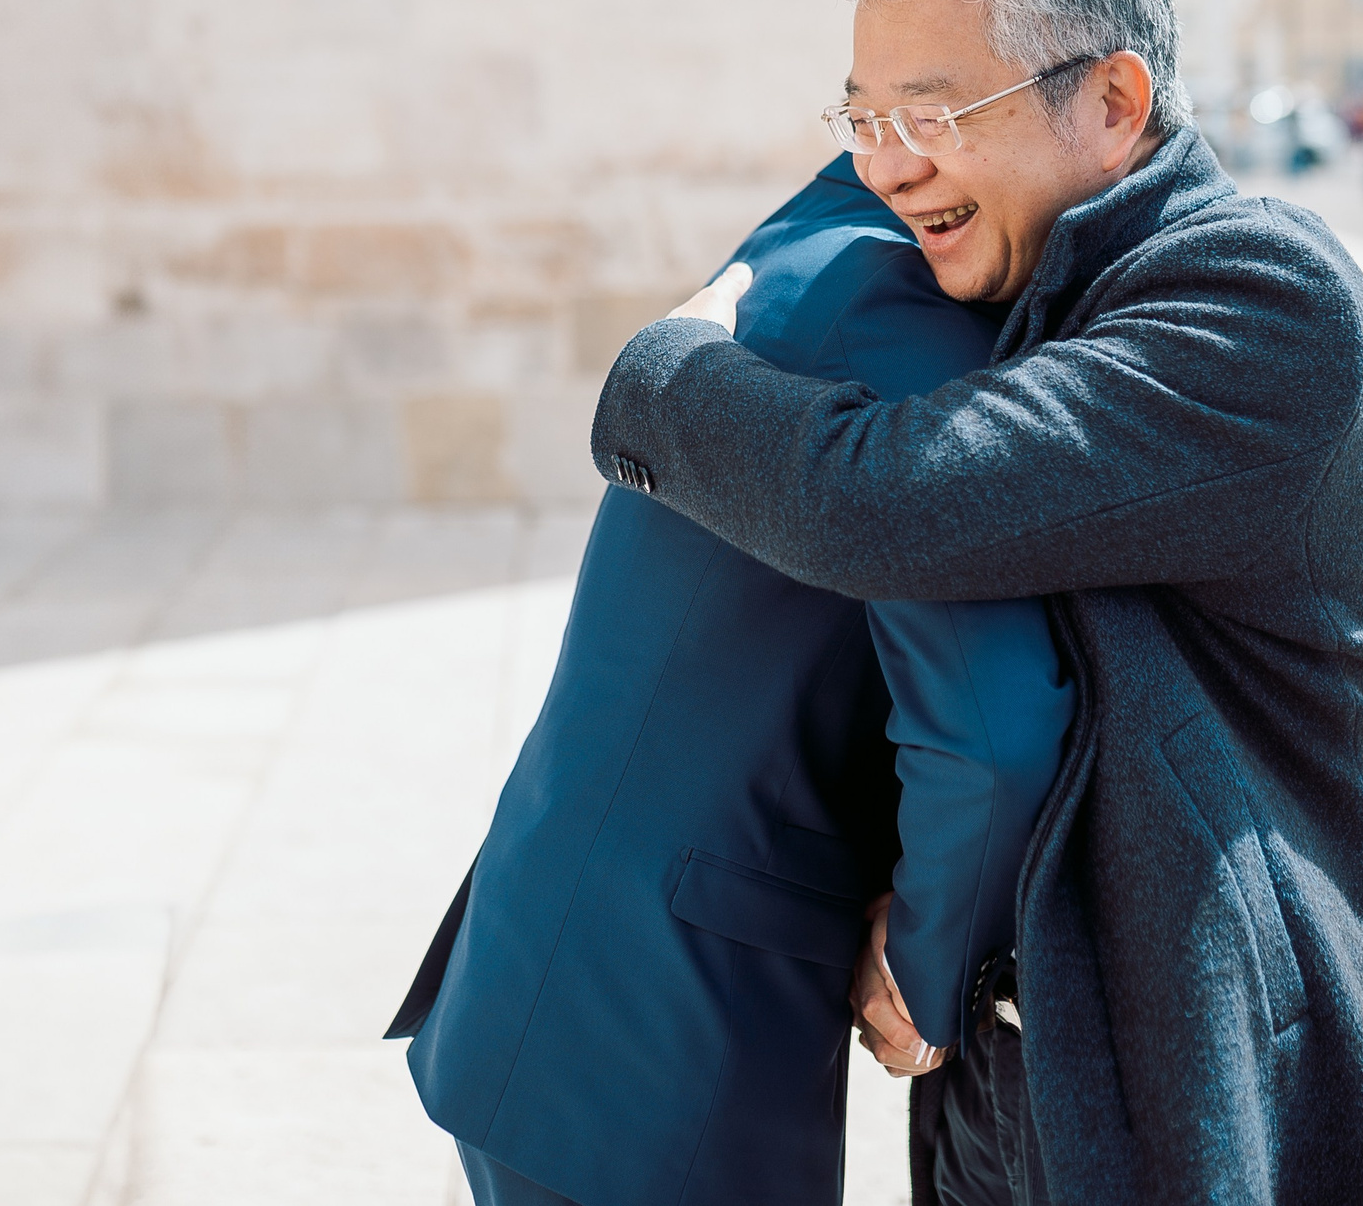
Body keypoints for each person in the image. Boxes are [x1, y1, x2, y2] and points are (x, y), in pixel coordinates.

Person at [589, 0, 1363, 1206]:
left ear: (1113, 97)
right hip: (1010, 1091)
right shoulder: (1015, 296)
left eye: (934, 110)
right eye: (863, 114)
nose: (889, 168)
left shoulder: (1266, 300)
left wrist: (659, 373)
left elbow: (888, 501)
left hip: (1250, 1096)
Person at [386, 160, 1073, 1206]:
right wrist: (929, 971)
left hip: (557, 966)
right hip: (659, 1035)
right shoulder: (900, 296)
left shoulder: (804, 242)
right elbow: (991, 729)